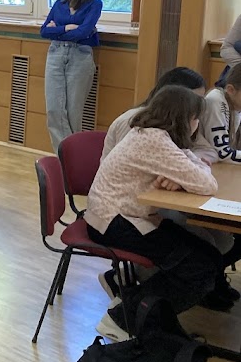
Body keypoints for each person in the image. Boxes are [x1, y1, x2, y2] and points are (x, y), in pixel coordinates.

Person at [86, 86, 223, 341]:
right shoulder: (154, 141)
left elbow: (192, 163)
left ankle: (140, 310)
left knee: (210, 256)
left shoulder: (150, 134)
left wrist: (180, 177)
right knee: (199, 269)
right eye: (196, 119)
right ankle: (121, 319)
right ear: (184, 119)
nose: (197, 125)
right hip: (114, 222)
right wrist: (185, 176)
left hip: (124, 215)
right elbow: (207, 184)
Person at [42, 0, 103, 150]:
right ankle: (67, 156)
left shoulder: (94, 4)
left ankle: (69, 156)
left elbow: (83, 32)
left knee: (73, 112)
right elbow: (44, 31)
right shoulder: (58, 4)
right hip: (56, 54)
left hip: (80, 56)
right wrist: (67, 28)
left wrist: (57, 30)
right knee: (54, 109)